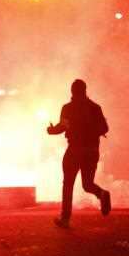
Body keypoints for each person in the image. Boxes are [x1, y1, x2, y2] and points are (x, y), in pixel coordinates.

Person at [47, 79, 111, 228]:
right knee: (87, 184)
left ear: (72, 92)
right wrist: (91, 133)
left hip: (75, 149)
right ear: (85, 90)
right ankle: (101, 194)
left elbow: (62, 127)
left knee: (68, 184)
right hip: (92, 150)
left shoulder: (68, 108)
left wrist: (51, 130)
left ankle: (65, 218)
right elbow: (105, 128)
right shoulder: (95, 107)